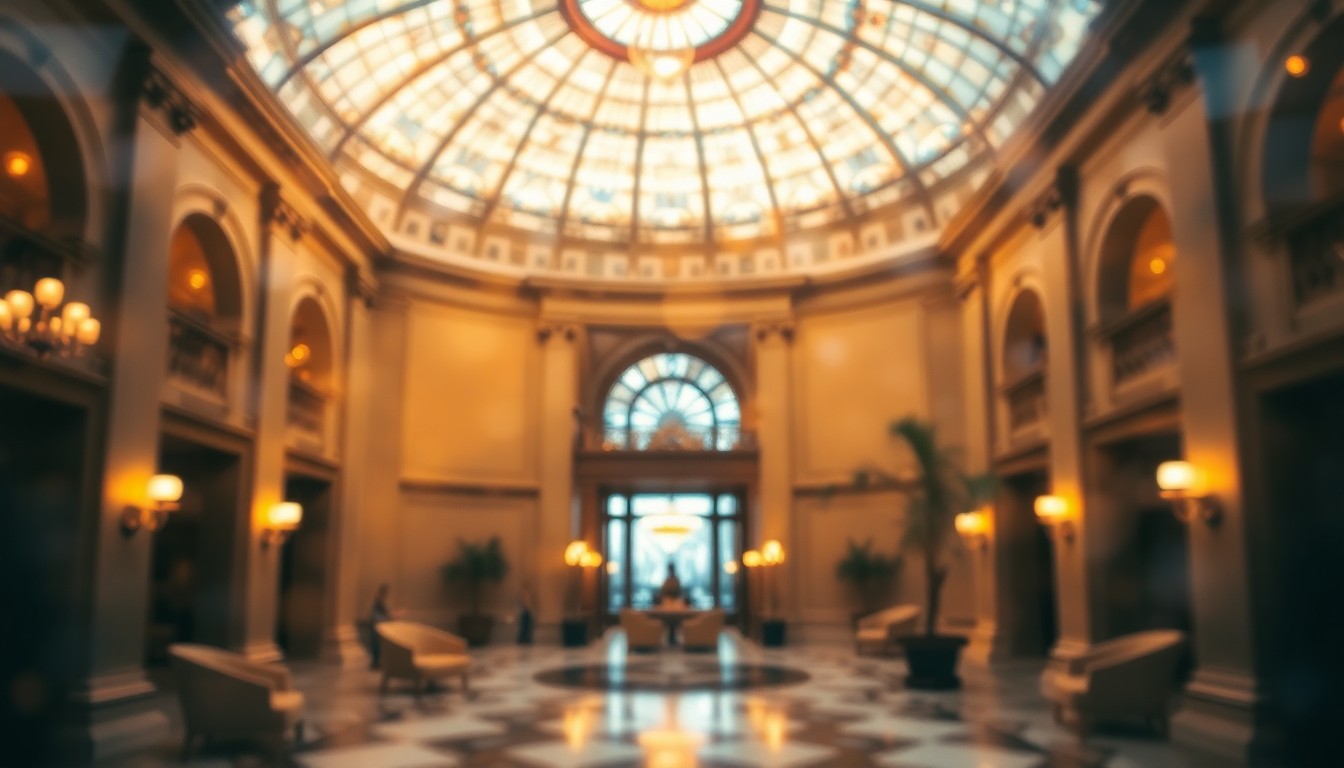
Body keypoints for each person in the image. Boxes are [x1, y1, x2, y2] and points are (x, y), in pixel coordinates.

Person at [368, 583, 393, 669]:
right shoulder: (378, 602)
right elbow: (378, 615)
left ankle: (376, 662)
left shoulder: (380, 601)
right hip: (377, 626)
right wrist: (387, 617)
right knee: (376, 645)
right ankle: (375, 662)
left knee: (378, 646)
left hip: (378, 625)